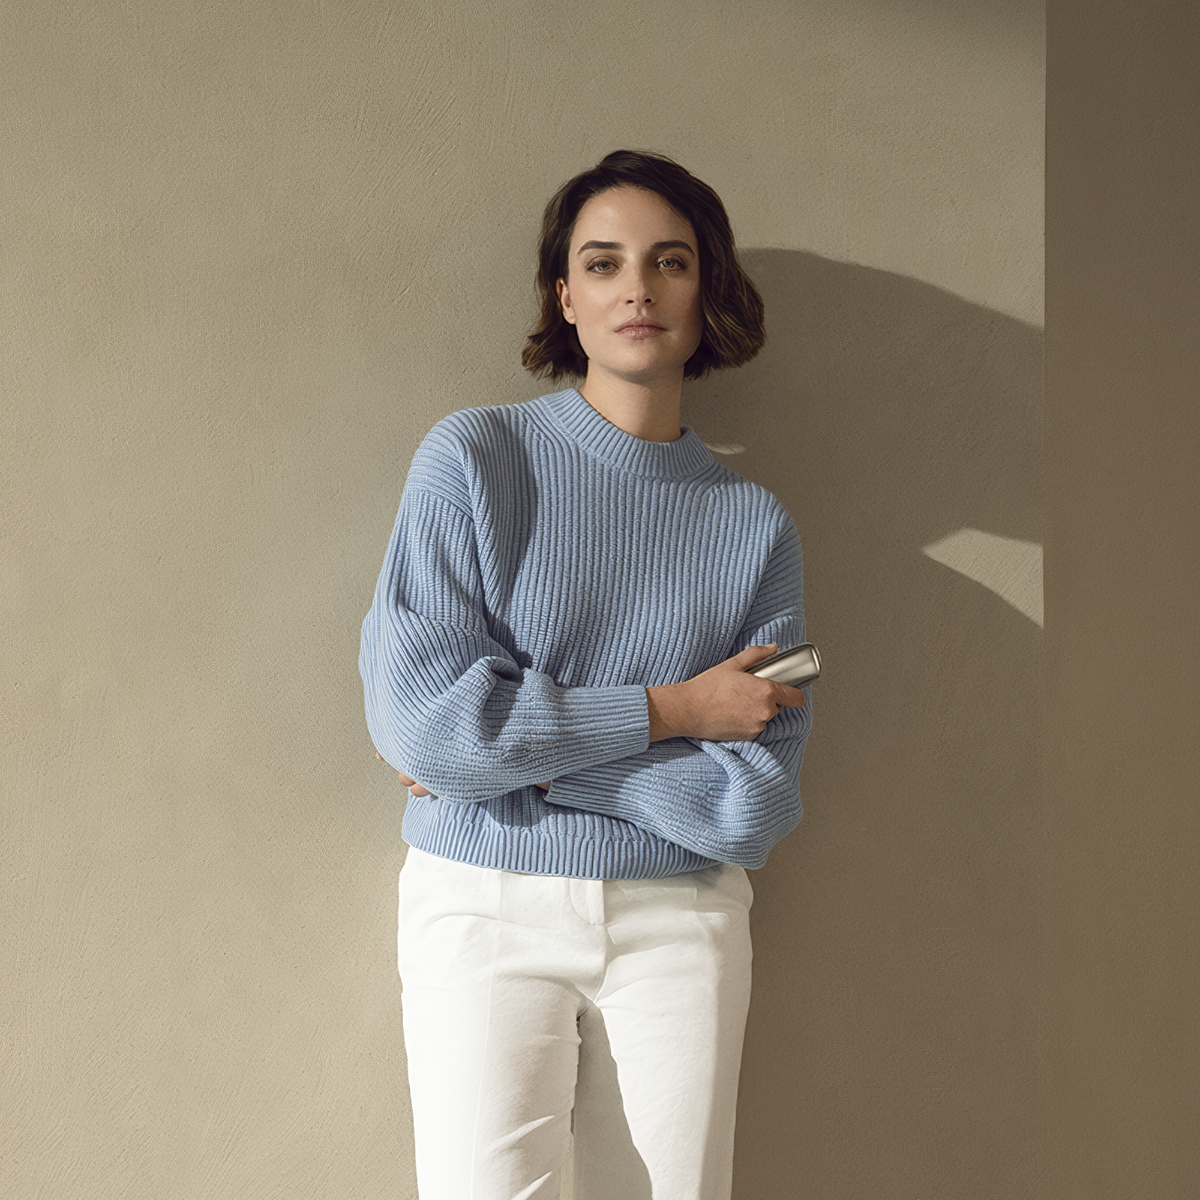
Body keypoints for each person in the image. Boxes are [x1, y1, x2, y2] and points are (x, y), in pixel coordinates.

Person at [359, 148, 812, 1200]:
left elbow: (754, 804)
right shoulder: (474, 461)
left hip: (681, 915)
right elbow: (428, 730)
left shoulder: (758, 530)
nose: (637, 289)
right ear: (565, 297)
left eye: (670, 261)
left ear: (707, 288)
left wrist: (510, 759)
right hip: (484, 898)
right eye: (603, 264)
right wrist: (678, 710)